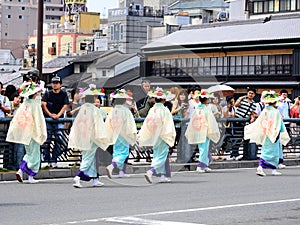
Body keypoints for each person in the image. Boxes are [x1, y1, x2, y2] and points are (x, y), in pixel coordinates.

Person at [6, 82, 47, 183]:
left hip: (25, 131)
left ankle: (24, 172)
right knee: (34, 154)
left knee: (28, 153)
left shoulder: (24, 104)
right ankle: (27, 174)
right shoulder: (35, 104)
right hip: (33, 131)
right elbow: (38, 119)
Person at [244, 90, 290, 176]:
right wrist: (282, 131)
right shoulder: (276, 112)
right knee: (273, 151)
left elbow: (260, 122)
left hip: (266, 132)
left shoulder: (265, 111)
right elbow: (279, 123)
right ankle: (264, 168)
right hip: (274, 133)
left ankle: (269, 168)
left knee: (265, 150)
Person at [138, 87, 176, 183]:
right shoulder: (165, 110)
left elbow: (148, 122)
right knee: (162, 155)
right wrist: (170, 135)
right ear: (163, 100)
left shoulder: (152, 110)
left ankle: (162, 175)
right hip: (163, 135)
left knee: (157, 154)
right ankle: (151, 171)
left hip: (154, 135)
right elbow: (168, 124)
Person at [68, 100, 108, 188]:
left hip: (84, 136)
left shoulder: (83, 110)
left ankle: (95, 179)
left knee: (93, 158)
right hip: (92, 137)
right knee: (88, 158)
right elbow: (99, 125)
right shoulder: (95, 111)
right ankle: (78, 176)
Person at [185, 90, 220, 172]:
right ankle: (200, 166)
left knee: (203, 148)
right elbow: (211, 121)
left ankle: (204, 165)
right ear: (206, 100)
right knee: (204, 148)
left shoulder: (197, 108)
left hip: (198, 129)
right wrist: (211, 130)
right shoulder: (206, 109)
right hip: (205, 130)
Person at [105, 89, 137, 178]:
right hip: (124, 134)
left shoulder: (113, 110)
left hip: (115, 133)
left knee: (117, 152)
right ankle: (112, 166)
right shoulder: (126, 110)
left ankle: (121, 172)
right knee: (124, 152)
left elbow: (108, 123)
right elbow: (130, 123)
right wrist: (132, 134)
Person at [41, 75, 69, 168]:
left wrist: (58, 115)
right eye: (53, 83)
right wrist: (50, 114)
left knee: (60, 139)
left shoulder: (63, 94)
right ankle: (47, 159)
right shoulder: (47, 93)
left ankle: (54, 159)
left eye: (57, 83)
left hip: (59, 119)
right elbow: (43, 105)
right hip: (49, 119)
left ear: (60, 85)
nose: (55, 85)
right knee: (47, 140)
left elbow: (65, 105)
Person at [234, 87, 257, 160]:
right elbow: (236, 105)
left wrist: (252, 117)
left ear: (254, 95)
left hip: (244, 122)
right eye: (249, 93)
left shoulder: (254, 104)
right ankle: (234, 154)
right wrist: (240, 99)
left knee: (244, 138)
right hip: (237, 120)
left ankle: (245, 154)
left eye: (252, 93)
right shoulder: (242, 99)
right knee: (236, 138)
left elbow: (252, 112)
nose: (250, 95)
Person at [277, 89, 294, 168]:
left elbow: (290, 110)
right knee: (279, 139)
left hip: (287, 122)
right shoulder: (277, 102)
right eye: (283, 94)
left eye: (286, 94)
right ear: (280, 94)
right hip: (279, 123)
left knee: (286, 138)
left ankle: (282, 153)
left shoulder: (288, 102)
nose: (285, 96)